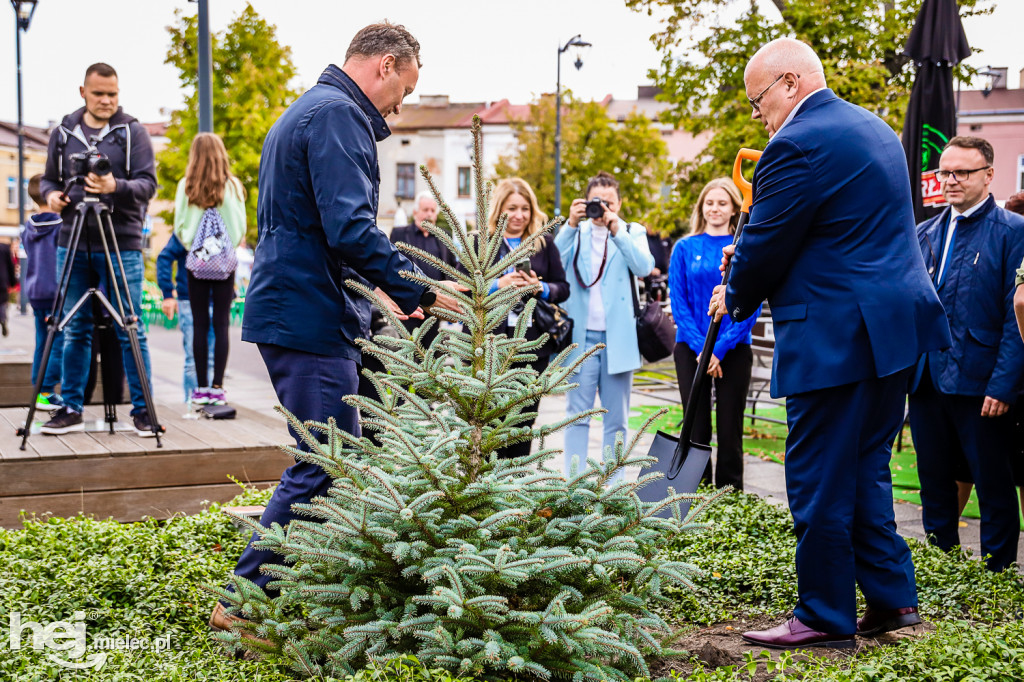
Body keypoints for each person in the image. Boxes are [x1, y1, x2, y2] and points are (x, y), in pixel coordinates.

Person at [211, 22, 461, 632]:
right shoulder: (337, 117)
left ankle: (321, 583)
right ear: (384, 66)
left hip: (305, 306)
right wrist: (418, 286)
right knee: (325, 461)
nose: (401, 107)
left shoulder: (312, 110)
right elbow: (350, 228)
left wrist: (393, 293)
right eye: (405, 88)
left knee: (343, 457)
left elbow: (325, 230)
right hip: (307, 314)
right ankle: (243, 601)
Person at [708, 38, 950, 649]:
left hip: (837, 335)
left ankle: (823, 614)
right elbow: (842, 233)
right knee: (866, 467)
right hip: (892, 331)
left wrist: (733, 290)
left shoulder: (795, 143)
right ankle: (894, 601)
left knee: (815, 474)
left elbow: (769, 243)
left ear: (789, 83)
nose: (758, 115)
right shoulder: (872, 128)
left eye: (758, 99)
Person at [909, 139, 1024, 574]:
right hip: (924, 380)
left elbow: (1017, 316)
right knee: (934, 483)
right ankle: (941, 570)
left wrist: (1003, 383)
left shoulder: (1014, 232)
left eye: (962, 172)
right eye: (945, 172)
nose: (951, 180)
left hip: (982, 383)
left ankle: (997, 576)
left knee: (994, 484)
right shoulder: (924, 232)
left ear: (988, 175)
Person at [38, 62, 158, 436]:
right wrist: (50, 195)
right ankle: (71, 407)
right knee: (74, 328)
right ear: (83, 92)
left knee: (131, 327)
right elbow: (47, 179)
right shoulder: (63, 132)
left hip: (121, 240)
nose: (106, 100)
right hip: (72, 238)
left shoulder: (132, 132)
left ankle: (143, 411)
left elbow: (148, 184)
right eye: (99, 93)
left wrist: (113, 188)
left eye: (112, 94)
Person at [554, 171, 654, 478]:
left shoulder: (631, 231)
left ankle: (614, 490)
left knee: (617, 420)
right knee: (577, 416)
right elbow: (552, 261)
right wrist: (570, 225)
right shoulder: (576, 231)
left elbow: (644, 266)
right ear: (585, 202)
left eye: (608, 202)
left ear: (619, 203)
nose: (602, 209)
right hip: (581, 337)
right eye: (596, 202)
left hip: (618, 339)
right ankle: (574, 487)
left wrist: (617, 230)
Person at [669, 178, 759, 491]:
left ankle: (729, 495)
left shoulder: (743, 248)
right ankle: (696, 491)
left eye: (722, 203)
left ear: (735, 208)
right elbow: (679, 307)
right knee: (696, 425)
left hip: (732, 350)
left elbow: (751, 303)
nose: (715, 208)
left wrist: (718, 349)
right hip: (691, 349)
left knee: (729, 427)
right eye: (710, 202)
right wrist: (702, 351)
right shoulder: (684, 248)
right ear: (701, 207)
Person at [480, 177, 569, 459]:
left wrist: (540, 288)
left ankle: (516, 484)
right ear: (499, 209)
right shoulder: (481, 243)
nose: (519, 215)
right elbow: (464, 286)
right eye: (512, 208)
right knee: (489, 422)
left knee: (524, 422)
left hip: (532, 347)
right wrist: (498, 285)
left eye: (525, 208)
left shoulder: (544, 244)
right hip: (490, 346)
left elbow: (562, 288)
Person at [173, 133, 246, 406]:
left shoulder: (186, 186)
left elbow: (180, 227)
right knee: (222, 325)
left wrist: (194, 243)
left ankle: (201, 388)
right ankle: (218, 387)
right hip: (225, 266)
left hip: (197, 265)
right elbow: (239, 228)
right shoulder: (233, 186)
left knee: (200, 325)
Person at [389, 190, 458, 348]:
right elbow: (391, 265)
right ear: (415, 212)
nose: (429, 214)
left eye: (432, 211)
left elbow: (452, 268)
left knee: (431, 352)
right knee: (408, 351)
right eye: (425, 210)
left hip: (435, 306)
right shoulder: (400, 234)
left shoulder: (444, 235)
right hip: (408, 306)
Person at [21, 175, 65, 409]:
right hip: (55, 292)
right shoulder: (61, 226)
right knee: (58, 341)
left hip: (36, 292)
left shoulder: (29, 227)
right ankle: (46, 391)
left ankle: (40, 389)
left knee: (41, 341)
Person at [156, 233, 215, 404]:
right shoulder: (187, 229)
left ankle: (209, 399)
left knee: (211, 356)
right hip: (189, 298)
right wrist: (167, 292)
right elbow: (164, 258)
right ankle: (192, 401)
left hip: (216, 298)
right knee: (192, 356)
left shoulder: (221, 227)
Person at [0, 239, 13, 338]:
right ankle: (2, 318)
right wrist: (13, 281)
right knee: (2, 302)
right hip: (2, 281)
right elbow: (10, 266)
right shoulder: (4, 248)